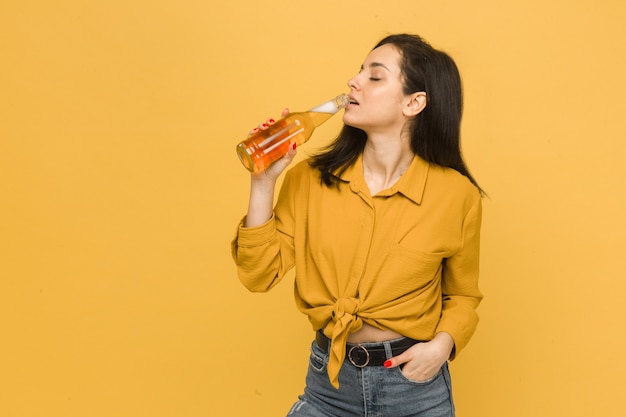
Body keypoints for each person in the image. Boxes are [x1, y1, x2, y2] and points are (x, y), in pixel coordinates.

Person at [231, 33, 484, 417]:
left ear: (414, 103)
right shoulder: (308, 180)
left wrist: (442, 346)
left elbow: (462, 297)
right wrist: (264, 182)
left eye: (375, 76)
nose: (354, 81)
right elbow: (257, 275)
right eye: (359, 70)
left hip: (415, 392)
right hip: (328, 388)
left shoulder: (457, 196)